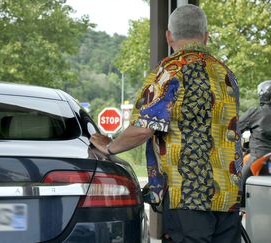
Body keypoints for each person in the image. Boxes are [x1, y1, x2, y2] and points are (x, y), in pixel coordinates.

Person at [90, 4, 243, 243]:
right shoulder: (225, 73)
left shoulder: (171, 71)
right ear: (206, 36)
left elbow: (144, 127)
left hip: (188, 194)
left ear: (168, 36)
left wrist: (110, 147)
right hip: (227, 195)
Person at [239, 80, 271, 180]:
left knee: (239, 181)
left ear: (263, 95)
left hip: (259, 156)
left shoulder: (255, 112)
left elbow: (236, 129)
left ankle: (240, 195)